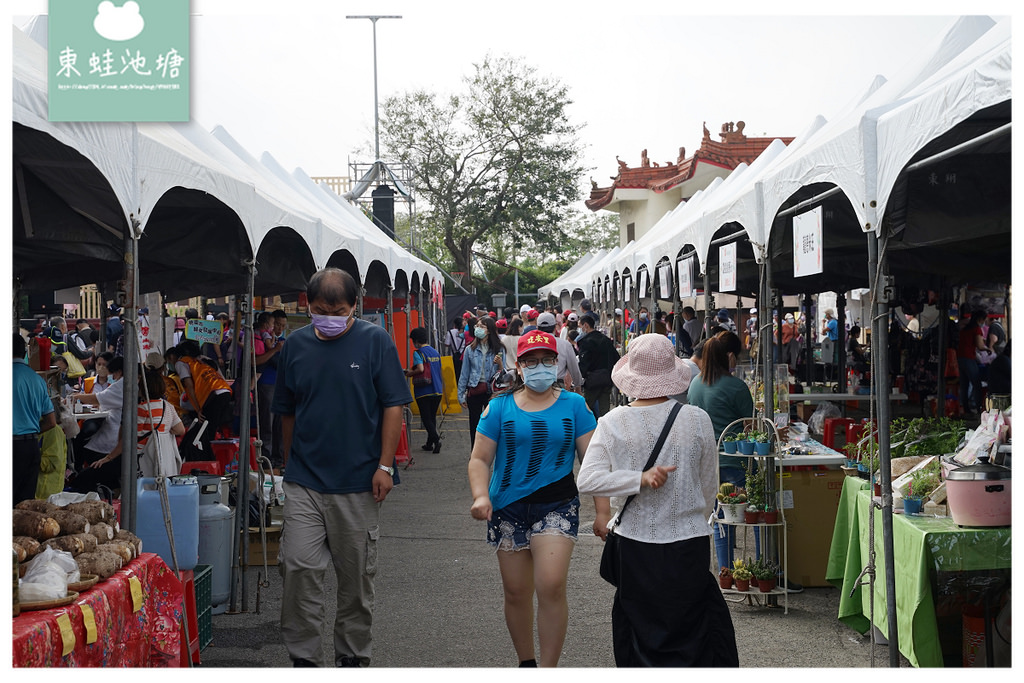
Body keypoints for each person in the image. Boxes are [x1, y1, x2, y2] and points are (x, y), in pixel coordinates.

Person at [272, 267, 411, 668]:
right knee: (298, 568)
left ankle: (352, 658)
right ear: (307, 304)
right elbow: (287, 411)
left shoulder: (375, 341)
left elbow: (393, 405)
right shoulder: (294, 346)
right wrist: (288, 464)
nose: (330, 317)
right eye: (320, 310)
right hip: (305, 482)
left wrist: (385, 465)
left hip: (359, 481)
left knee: (355, 581)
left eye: (339, 310)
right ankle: (305, 660)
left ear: (355, 306)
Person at [577, 333, 738, 667]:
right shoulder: (697, 419)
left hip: (635, 545)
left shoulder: (611, 422)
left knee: (640, 632)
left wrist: (633, 481)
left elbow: (588, 479)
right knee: (695, 630)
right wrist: (684, 508)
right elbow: (710, 487)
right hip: (689, 543)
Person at [468, 331, 597, 667]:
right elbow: (480, 459)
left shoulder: (575, 405)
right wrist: (481, 495)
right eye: (531, 360)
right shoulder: (498, 407)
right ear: (519, 366)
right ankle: (527, 663)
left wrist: (603, 511)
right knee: (515, 592)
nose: (540, 366)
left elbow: (595, 463)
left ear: (558, 363)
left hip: (557, 505)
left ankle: (549, 669)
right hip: (507, 508)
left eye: (547, 360)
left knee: (551, 584)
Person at [686, 331, 756, 570]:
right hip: (735, 461)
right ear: (729, 357)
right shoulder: (737, 387)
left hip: (707, 461)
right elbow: (751, 428)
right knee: (754, 514)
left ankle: (725, 570)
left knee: (720, 518)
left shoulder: (695, 384)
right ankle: (760, 566)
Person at [67, 357, 126, 493]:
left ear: (118, 371)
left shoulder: (122, 385)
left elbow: (98, 398)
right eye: (98, 364)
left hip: (111, 443)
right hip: (114, 437)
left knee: (82, 443)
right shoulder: (123, 384)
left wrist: (76, 397)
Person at [13, 333, 57, 503]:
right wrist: (32, 429)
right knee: (25, 508)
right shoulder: (37, 379)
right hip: (30, 447)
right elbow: (51, 422)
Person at [175, 339, 234, 459]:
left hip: (213, 396)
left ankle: (206, 461)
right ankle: (209, 459)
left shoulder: (182, 363)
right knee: (210, 428)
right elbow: (221, 378)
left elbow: (189, 386)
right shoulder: (206, 360)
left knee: (206, 430)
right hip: (226, 392)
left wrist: (198, 409)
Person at [458, 315, 505, 447]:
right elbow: (464, 373)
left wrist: (500, 364)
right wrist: (461, 395)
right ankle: (475, 452)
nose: (478, 329)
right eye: (477, 326)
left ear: (489, 330)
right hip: (474, 389)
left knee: (493, 424)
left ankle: (493, 451)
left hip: (492, 392)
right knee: (475, 424)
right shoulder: (470, 349)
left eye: (482, 326)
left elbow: (503, 375)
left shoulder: (499, 349)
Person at [136, 366, 186, 477]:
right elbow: (180, 430)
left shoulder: (142, 408)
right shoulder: (168, 406)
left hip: (145, 458)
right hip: (166, 457)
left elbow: (137, 436)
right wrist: (166, 430)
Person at [405, 327, 444, 453]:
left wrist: (409, 373)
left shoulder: (418, 353)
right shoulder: (435, 352)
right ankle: (429, 443)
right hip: (437, 389)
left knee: (426, 418)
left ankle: (436, 440)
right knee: (431, 417)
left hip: (424, 390)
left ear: (416, 341)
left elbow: (420, 369)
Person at [576, 313, 620, 418]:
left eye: (580, 326)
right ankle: (606, 430)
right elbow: (616, 358)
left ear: (585, 325)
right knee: (605, 410)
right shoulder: (605, 339)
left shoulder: (586, 342)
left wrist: (580, 378)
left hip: (592, 381)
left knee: (586, 409)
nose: (580, 329)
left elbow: (584, 363)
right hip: (606, 379)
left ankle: (588, 431)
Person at [536, 312, 582, 391]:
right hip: (557, 387)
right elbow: (574, 369)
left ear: (537, 328)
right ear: (554, 327)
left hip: (535, 387)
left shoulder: (531, 345)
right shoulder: (565, 344)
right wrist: (577, 386)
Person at [957, 309, 988, 416]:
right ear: (980, 319)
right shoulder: (976, 329)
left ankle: (966, 409)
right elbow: (980, 346)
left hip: (960, 358)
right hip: (968, 358)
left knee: (964, 385)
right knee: (976, 383)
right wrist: (988, 349)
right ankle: (980, 408)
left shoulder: (965, 329)